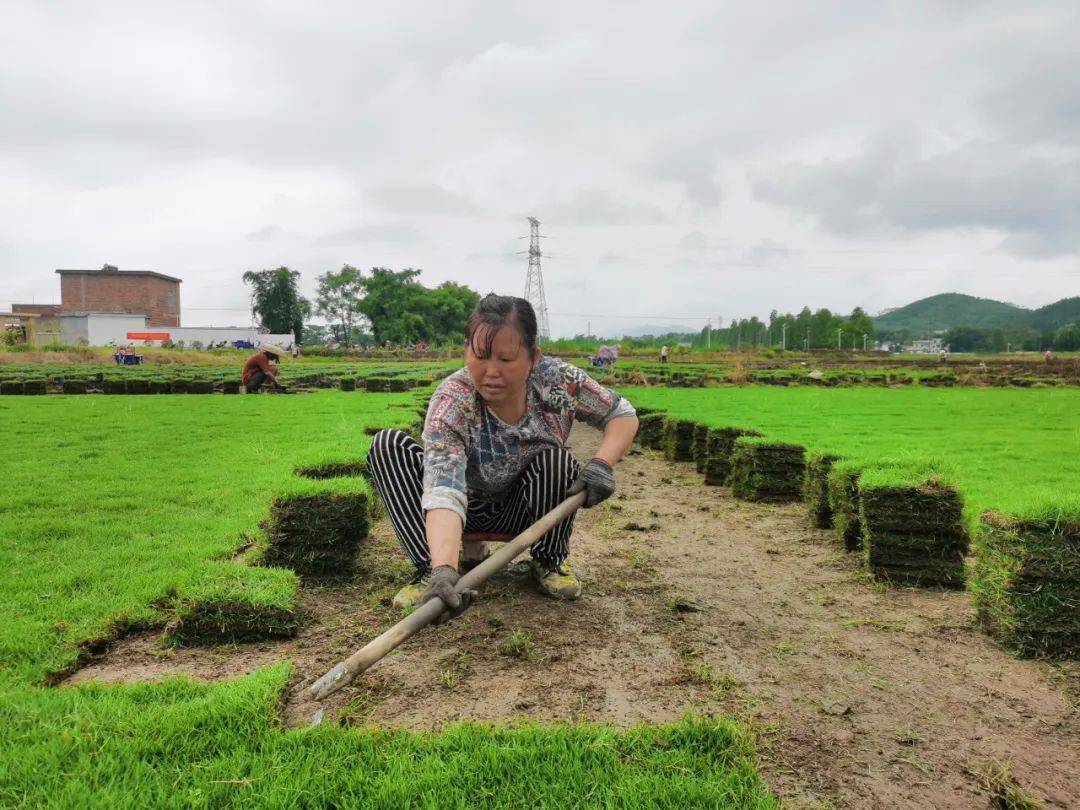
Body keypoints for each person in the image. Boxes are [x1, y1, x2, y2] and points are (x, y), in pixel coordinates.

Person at [367, 294, 639, 618]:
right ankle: (432, 571)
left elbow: (620, 414)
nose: (490, 372)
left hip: (525, 511)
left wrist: (601, 464)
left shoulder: (552, 384)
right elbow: (443, 489)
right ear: (466, 350)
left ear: (533, 358)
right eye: (480, 356)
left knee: (557, 461)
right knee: (387, 446)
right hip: (461, 510)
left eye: (506, 359)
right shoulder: (455, 401)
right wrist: (443, 566)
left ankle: (549, 560)